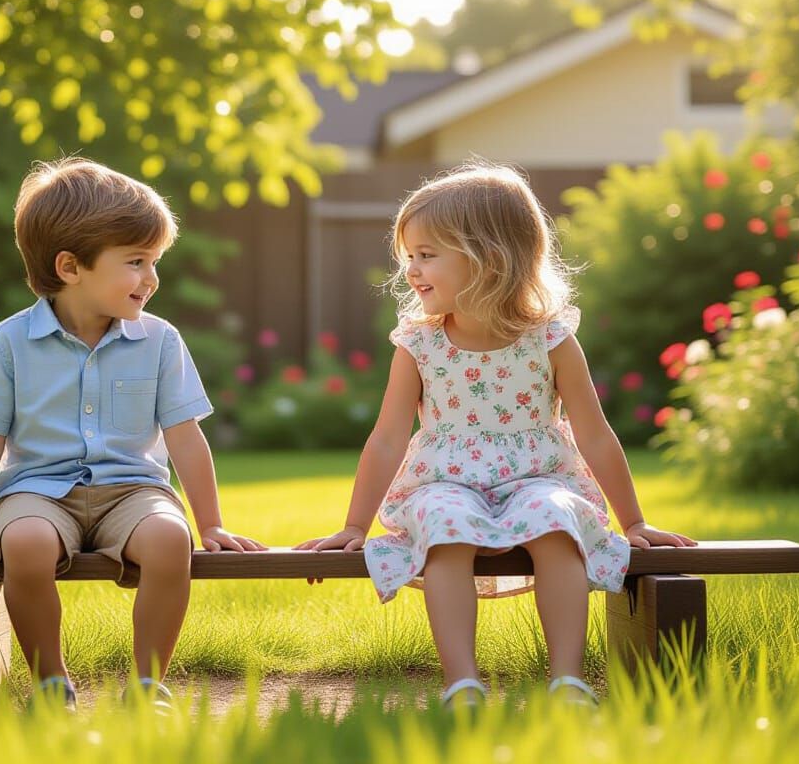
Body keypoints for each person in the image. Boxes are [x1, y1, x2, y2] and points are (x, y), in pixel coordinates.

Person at [296, 162, 695, 708]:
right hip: (446, 479)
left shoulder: (550, 339)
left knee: (556, 520)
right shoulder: (420, 343)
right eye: (407, 256)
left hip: (538, 476)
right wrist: (353, 526)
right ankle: (463, 682)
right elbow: (387, 438)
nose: (411, 270)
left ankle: (567, 679)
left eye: (427, 254)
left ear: (489, 256)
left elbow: (594, 433)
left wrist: (634, 521)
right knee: (445, 525)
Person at [0, 157, 265, 711]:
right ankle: (52, 683)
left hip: (133, 493)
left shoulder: (160, 341)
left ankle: (147, 686)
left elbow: (186, 437)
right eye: (137, 262)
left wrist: (210, 523)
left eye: (155, 261)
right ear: (70, 267)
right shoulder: (9, 343)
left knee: (171, 540)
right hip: (37, 494)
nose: (152, 278)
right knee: (24, 544)